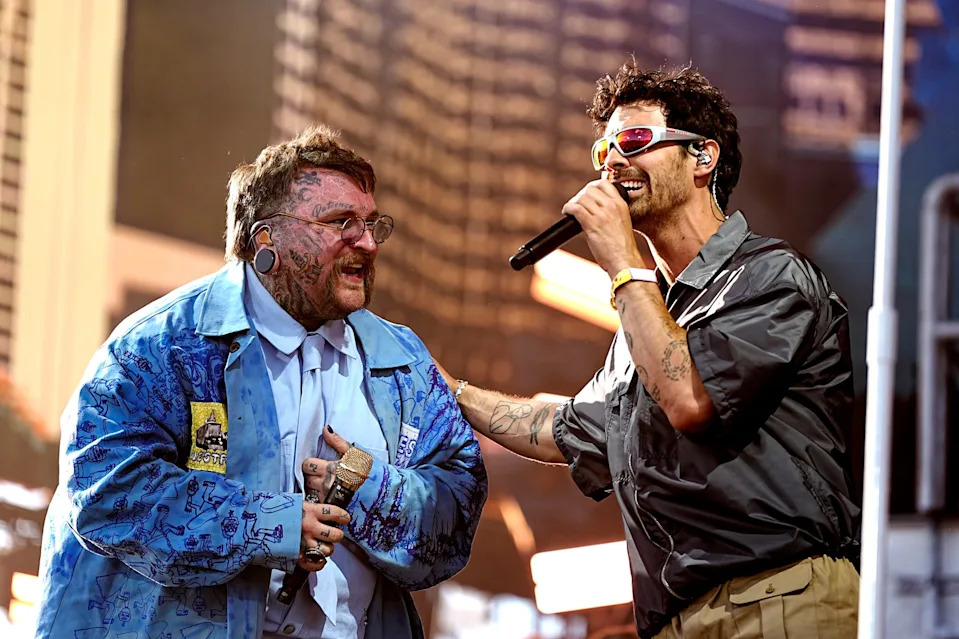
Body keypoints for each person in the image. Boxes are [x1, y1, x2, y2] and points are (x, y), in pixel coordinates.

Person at [438, 61, 860, 638]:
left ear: (702, 157)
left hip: (776, 596)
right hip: (680, 615)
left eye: (635, 140)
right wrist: (449, 390)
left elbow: (691, 399)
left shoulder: (769, 277)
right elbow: (563, 430)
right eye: (604, 149)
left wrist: (621, 262)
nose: (613, 160)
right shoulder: (645, 325)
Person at [35, 125, 487, 639]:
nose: (366, 242)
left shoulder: (402, 359)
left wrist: (372, 490)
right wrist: (276, 525)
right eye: (340, 222)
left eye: (370, 224)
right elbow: (105, 489)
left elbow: (459, 502)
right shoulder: (163, 345)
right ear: (265, 240)